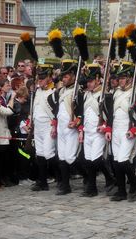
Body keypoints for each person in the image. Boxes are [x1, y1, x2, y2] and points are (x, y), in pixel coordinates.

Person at [105, 61, 136, 202]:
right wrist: (109, 129)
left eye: (122, 78)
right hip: (116, 129)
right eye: (119, 78)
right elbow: (111, 114)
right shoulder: (116, 93)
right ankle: (122, 191)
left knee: (123, 160)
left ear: (129, 78)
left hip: (128, 130)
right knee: (116, 162)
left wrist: (135, 130)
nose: (120, 81)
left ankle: (134, 184)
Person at [76, 63, 115, 197]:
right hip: (88, 131)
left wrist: (105, 127)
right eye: (88, 81)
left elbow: (110, 115)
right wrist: (81, 130)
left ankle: (94, 187)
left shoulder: (105, 96)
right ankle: (97, 185)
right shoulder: (86, 95)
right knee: (87, 160)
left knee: (96, 160)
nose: (89, 84)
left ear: (98, 79)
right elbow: (83, 114)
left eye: (91, 81)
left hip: (99, 132)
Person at [48, 59, 80, 195]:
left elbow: (81, 111)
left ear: (73, 76)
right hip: (61, 127)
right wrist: (55, 125)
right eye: (63, 76)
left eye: (66, 76)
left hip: (71, 127)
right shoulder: (61, 91)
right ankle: (65, 185)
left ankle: (91, 177)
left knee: (71, 158)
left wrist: (77, 121)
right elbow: (56, 108)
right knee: (61, 157)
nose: (64, 79)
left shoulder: (78, 91)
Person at [31, 64, 59, 191]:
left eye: (42, 78)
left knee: (49, 154)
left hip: (48, 126)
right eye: (39, 78)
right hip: (37, 126)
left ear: (49, 78)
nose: (39, 81)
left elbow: (57, 112)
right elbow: (35, 108)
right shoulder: (37, 92)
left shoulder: (54, 92)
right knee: (40, 154)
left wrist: (54, 126)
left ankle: (60, 177)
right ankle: (42, 182)